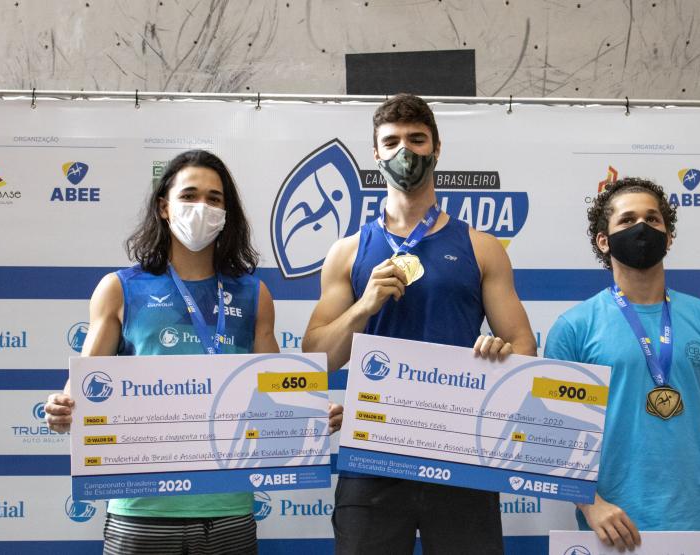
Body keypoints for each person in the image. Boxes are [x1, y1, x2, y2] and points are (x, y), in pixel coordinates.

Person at [43, 150, 343, 555]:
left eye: (214, 199)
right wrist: (62, 412)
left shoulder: (254, 294)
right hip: (140, 510)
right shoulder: (119, 288)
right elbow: (81, 394)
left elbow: (278, 394)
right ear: (164, 207)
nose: (202, 207)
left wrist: (310, 418)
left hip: (228, 510)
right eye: (189, 196)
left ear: (226, 213)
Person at [302, 93, 537, 554]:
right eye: (391, 142)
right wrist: (364, 306)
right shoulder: (347, 251)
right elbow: (317, 356)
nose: (404, 151)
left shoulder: (481, 246)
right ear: (375, 154)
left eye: (417, 139)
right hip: (372, 457)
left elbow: (523, 345)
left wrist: (501, 355)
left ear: (436, 148)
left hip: (461, 455)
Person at [544, 177, 700, 552]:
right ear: (603, 241)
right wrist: (590, 505)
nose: (642, 228)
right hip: (613, 530)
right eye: (627, 220)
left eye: (653, 219)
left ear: (668, 237)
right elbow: (555, 431)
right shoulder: (574, 327)